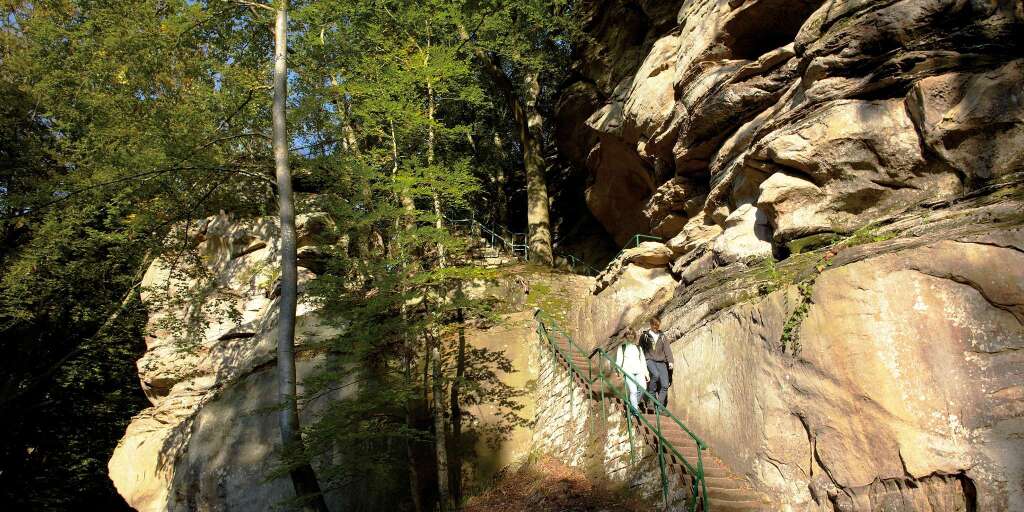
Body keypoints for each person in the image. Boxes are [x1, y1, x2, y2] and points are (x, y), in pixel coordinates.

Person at [614, 328, 649, 416]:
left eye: (632, 334)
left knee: (643, 388)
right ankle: (635, 411)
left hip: (639, 371)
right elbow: (618, 361)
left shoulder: (638, 348)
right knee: (633, 391)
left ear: (634, 336)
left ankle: (632, 406)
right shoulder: (622, 347)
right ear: (625, 336)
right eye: (628, 334)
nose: (630, 336)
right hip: (628, 371)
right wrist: (619, 371)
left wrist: (646, 373)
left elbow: (643, 361)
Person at [640, 317, 673, 408]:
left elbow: (667, 349)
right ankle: (651, 397)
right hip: (649, 360)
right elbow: (641, 350)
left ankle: (659, 407)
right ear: (651, 325)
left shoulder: (662, 336)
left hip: (661, 362)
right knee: (655, 375)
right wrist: (640, 362)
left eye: (657, 326)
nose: (656, 327)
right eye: (654, 325)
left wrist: (670, 361)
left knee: (665, 385)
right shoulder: (644, 336)